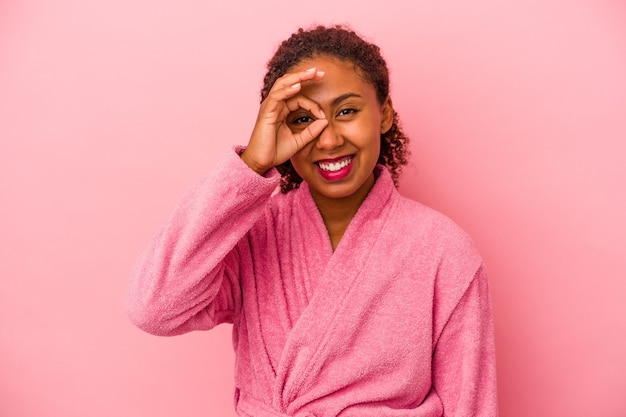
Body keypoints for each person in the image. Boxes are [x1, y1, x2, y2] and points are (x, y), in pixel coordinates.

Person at [126, 25, 498, 417]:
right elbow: (153, 308)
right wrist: (252, 164)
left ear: (384, 114)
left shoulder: (444, 250)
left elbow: (470, 405)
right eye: (303, 119)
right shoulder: (252, 234)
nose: (328, 140)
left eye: (347, 111)